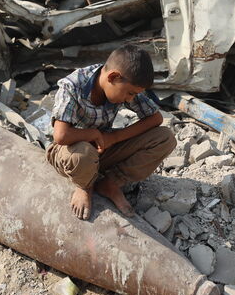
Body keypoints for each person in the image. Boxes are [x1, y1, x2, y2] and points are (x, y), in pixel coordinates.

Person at [47, 44, 176, 220]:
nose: (130, 99)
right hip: (70, 153)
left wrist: (113, 138)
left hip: (102, 149)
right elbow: (61, 136)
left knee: (165, 138)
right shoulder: (73, 86)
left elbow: (155, 119)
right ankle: (85, 186)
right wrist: (94, 134)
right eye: (129, 93)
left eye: (134, 95)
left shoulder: (124, 83)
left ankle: (110, 183)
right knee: (83, 154)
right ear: (113, 77)